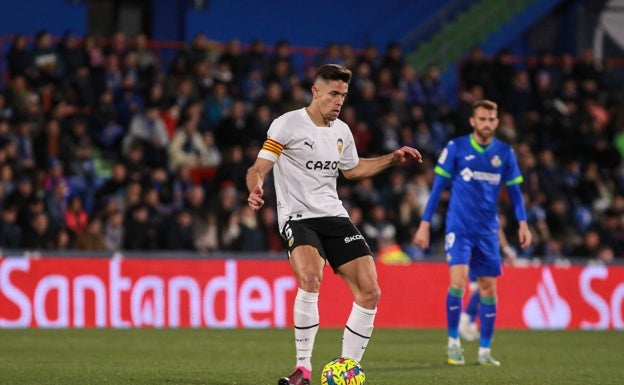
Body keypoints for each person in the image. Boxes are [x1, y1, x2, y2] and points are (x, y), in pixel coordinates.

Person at [246, 64, 422, 385]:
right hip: (299, 217)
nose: (339, 101)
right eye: (333, 94)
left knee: (370, 292)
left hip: (334, 216)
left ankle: (347, 369)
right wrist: (256, 186)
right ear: (316, 92)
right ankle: (302, 369)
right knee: (311, 278)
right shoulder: (287, 125)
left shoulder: (341, 130)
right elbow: (258, 166)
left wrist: (392, 159)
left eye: (343, 95)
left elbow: (352, 170)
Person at [413, 99, 531, 366]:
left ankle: (485, 351)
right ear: (473, 121)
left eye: (491, 119)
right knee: (459, 280)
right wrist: (425, 223)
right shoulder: (456, 148)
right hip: (460, 227)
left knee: (489, 288)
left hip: (488, 231)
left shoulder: (505, 153)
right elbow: (437, 188)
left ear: (496, 122)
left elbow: (515, 193)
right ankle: (453, 343)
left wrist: (523, 223)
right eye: (482, 119)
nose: (487, 124)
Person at [459, 226, 517, 342]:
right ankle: (466, 317)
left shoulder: (489, 216)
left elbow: (498, 229)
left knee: (482, 289)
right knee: (481, 288)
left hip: (487, 251)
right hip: (478, 252)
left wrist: (505, 249)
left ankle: (470, 322)